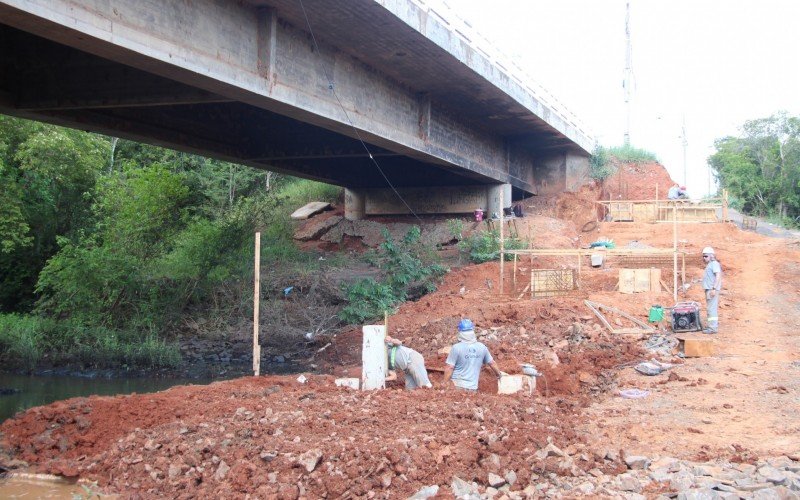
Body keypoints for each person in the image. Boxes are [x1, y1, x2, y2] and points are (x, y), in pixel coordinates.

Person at [443, 319, 504, 391]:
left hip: (457, 386)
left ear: (460, 332)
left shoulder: (456, 348)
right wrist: (499, 375)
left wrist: (444, 383)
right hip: (472, 388)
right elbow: (492, 363)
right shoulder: (482, 347)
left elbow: (450, 367)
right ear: (472, 331)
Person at [701, 246, 722, 334]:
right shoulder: (710, 264)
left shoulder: (714, 264)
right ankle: (711, 326)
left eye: (706, 256)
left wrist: (714, 288)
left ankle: (713, 328)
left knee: (711, 309)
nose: (704, 258)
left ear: (711, 256)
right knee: (710, 308)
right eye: (703, 256)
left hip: (711, 289)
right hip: (708, 289)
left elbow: (718, 276)